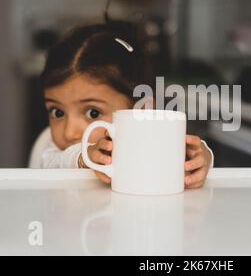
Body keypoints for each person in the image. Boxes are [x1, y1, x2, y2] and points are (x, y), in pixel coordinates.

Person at [29, 20, 213, 189]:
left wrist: (199, 159)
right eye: (57, 112)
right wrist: (83, 157)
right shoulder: (49, 145)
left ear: (142, 110)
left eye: (93, 113)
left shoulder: (146, 141)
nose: (69, 132)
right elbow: (53, 161)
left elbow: (176, 164)